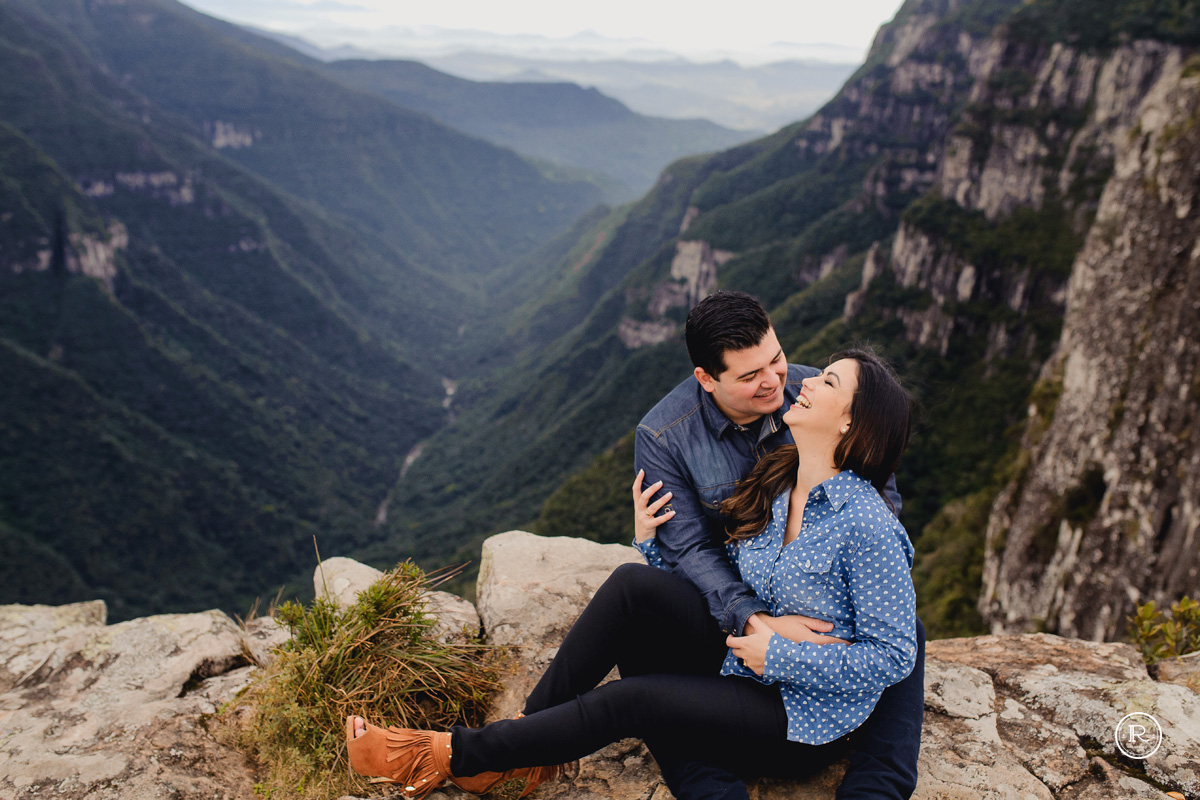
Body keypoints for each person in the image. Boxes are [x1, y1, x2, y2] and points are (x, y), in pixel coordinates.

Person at [343, 345, 919, 800]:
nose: (805, 379)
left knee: (632, 699)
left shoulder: (866, 524)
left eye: (828, 382)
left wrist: (783, 655)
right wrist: (651, 546)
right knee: (632, 586)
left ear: (851, 424)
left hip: (797, 716)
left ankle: (453, 755)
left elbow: (894, 656)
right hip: (747, 663)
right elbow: (727, 572)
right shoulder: (783, 477)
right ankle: (529, 742)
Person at [630, 291, 925, 800]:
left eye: (777, 360)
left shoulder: (818, 395)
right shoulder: (665, 435)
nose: (777, 382)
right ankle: (706, 783)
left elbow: (878, 497)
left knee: (902, 629)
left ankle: (878, 786)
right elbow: (692, 552)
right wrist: (757, 620)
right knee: (640, 622)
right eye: (749, 376)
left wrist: (833, 586)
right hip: (726, 601)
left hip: (809, 601)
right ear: (707, 379)